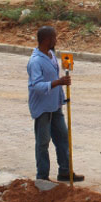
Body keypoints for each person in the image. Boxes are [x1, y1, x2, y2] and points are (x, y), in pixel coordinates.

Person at [27, 26, 84, 181]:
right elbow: (35, 86)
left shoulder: (51, 55)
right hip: (43, 108)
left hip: (55, 105)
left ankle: (65, 171)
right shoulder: (35, 62)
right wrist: (58, 82)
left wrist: (61, 88)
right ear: (47, 40)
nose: (56, 40)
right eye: (54, 37)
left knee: (63, 138)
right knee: (43, 142)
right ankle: (42, 176)